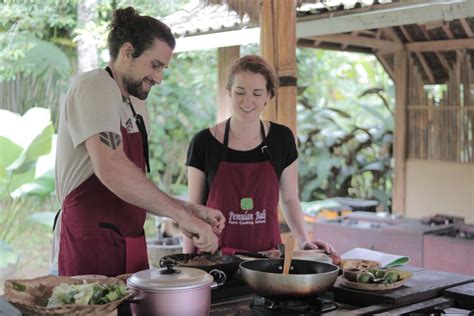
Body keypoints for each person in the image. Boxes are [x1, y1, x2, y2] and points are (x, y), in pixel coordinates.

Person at [51, 7, 224, 277]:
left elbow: (135, 182)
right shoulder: (95, 86)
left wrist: (187, 209)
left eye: (163, 68)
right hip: (89, 241)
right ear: (128, 51)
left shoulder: (137, 104)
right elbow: (112, 168)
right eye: (155, 65)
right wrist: (182, 217)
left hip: (130, 240)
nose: (159, 78)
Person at [184, 55, 337, 259]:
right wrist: (187, 260)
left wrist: (303, 240)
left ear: (268, 96)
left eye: (257, 93)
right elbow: (193, 208)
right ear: (229, 92)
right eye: (240, 92)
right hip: (215, 259)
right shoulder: (203, 142)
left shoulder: (282, 138)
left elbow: (290, 198)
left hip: (268, 261)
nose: (248, 100)